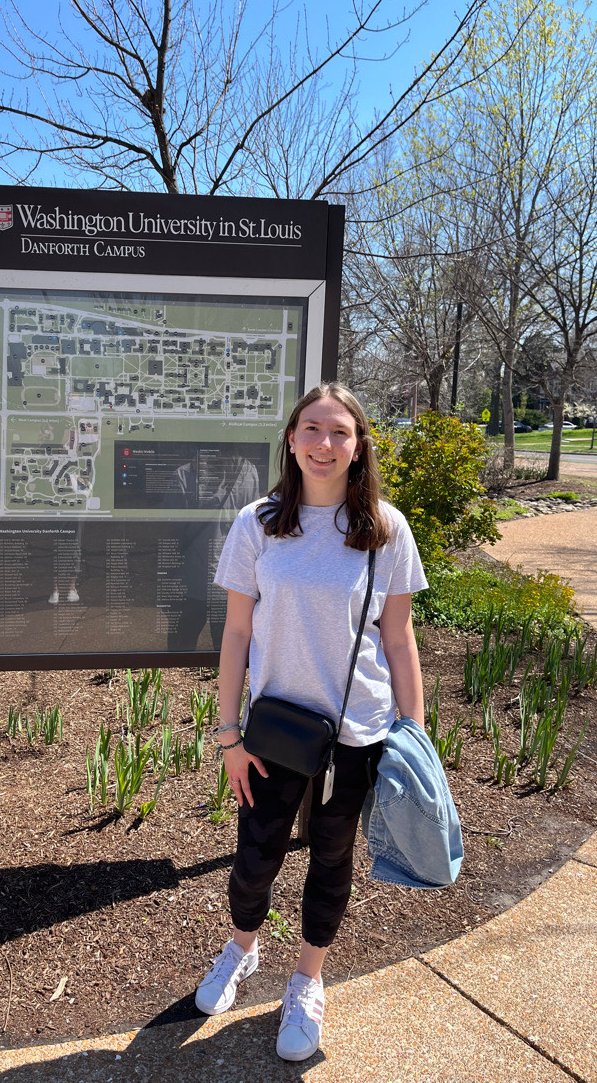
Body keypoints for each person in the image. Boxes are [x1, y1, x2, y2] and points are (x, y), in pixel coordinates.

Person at [194, 381, 428, 1062]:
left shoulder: (385, 529)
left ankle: (306, 981)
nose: (325, 444)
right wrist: (227, 735)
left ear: (358, 448)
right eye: (312, 430)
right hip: (272, 736)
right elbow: (235, 634)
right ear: (292, 441)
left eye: (340, 433)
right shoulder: (259, 523)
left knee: (331, 861)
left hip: (355, 735)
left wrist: (412, 735)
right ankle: (241, 950)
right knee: (254, 857)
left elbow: (399, 640)